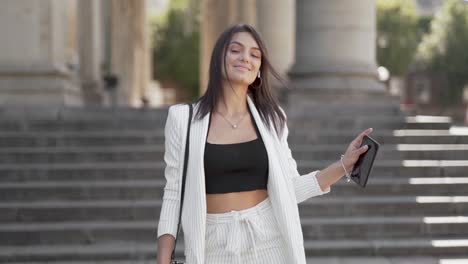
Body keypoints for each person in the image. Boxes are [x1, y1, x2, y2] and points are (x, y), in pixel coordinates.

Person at [156, 24, 373, 264]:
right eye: (235, 50)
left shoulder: (273, 120)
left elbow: (290, 188)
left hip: (268, 241)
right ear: (219, 59)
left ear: (259, 69)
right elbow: (174, 193)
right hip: (211, 246)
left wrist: (343, 165)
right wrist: (163, 258)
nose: (245, 58)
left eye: (254, 54)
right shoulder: (182, 119)